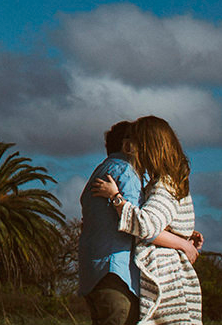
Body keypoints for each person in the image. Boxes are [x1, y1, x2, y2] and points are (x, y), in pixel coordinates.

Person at [95, 115, 203, 325]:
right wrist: (184, 238)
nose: (130, 151)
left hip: (166, 274)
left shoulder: (165, 185)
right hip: (169, 271)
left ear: (149, 147)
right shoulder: (168, 181)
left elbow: (146, 225)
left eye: (134, 144)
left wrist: (116, 198)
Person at [80, 120, 144, 325]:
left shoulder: (100, 171)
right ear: (130, 145)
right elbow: (137, 223)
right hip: (116, 273)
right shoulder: (126, 173)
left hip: (93, 272)